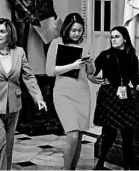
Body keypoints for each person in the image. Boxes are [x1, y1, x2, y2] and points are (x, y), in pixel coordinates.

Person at [0, 18, 47, 170]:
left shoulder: (19, 52)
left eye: (2, 31)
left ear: (9, 34)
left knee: (9, 143)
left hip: (14, 104)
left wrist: (38, 97)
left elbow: (28, 76)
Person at [90, 26, 139, 170]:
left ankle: (128, 166)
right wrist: (91, 76)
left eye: (116, 36)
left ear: (125, 39)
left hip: (125, 95)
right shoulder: (105, 55)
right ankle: (100, 163)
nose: (113, 39)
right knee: (109, 132)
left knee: (128, 132)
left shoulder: (132, 56)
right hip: (109, 95)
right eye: (111, 37)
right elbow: (93, 72)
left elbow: (134, 78)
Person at [46, 13, 94, 170]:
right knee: (72, 136)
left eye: (80, 30)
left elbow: (90, 73)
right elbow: (49, 71)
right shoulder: (56, 43)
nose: (77, 33)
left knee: (79, 137)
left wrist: (90, 62)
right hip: (62, 94)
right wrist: (72, 66)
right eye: (73, 30)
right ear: (66, 29)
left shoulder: (85, 43)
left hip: (82, 93)